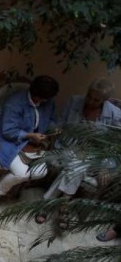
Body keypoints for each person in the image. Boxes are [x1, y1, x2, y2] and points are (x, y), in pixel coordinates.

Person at [37, 78, 121, 226]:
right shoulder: (74, 101)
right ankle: (64, 207)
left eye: (96, 100)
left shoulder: (115, 114)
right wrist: (54, 131)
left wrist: (106, 166)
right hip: (69, 146)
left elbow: (114, 145)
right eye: (89, 95)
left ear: (105, 101)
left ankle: (47, 204)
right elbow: (60, 124)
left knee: (76, 164)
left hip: (94, 153)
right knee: (77, 165)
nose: (90, 101)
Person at [0, 75, 59, 203]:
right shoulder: (15, 102)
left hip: (31, 144)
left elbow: (51, 120)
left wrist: (53, 130)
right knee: (22, 173)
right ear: (35, 94)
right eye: (42, 99)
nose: (43, 102)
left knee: (41, 172)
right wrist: (30, 135)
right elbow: (8, 131)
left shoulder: (48, 102)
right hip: (6, 141)